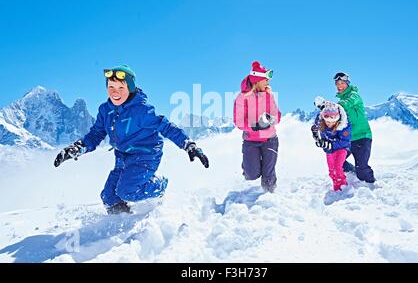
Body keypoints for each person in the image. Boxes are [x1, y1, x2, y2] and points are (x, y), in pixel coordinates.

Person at [54, 65, 209, 214]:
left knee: (127, 191)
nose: (115, 92)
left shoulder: (141, 110)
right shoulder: (105, 110)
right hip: (122, 157)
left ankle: (159, 185)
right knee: (109, 197)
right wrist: (77, 148)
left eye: (121, 88)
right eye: (111, 87)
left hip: (146, 156)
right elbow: (96, 134)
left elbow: (166, 127)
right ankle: (122, 220)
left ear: (130, 88)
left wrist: (189, 145)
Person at [233, 61, 281, 193]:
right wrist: (255, 126)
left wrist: (270, 120)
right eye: (265, 79)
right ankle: (249, 167)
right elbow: (238, 121)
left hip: (270, 139)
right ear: (257, 80)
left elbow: (277, 115)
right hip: (251, 141)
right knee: (252, 174)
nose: (268, 82)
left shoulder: (268, 95)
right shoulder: (241, 98)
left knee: (268, 175)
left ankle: (270, 197)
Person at [334, 72, 375, 184]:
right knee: (337, 161)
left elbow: (346, 104)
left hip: (362, 136)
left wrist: (332, 107)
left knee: (362, 168)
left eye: (342, 83)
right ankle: (355, 176)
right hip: (348, 139)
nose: (339, 86)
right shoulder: (339, 103)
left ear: (347, 83)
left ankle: (370, 185)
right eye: (337, 83)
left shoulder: (354, 95)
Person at [311, 96, 355, 173]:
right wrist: (316, 136)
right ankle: (347, 173)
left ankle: (352, 172)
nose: (329, 121)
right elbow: (315, 126)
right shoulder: (321, 116)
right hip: (330, 147)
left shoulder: (343, 121)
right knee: (335, 165)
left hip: (344, 146)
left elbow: (345, 141)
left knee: (339, 163)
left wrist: (330, 144)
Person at [315, 101, 352, 191]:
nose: (329, 124)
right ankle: (336, 187)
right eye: (327, 121)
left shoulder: (343, 125)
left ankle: (343, 187)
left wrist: (330, 145)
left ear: (338, 119)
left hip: (341, 149)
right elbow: (318, 125)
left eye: (332, 122)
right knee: (331, 171)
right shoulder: (323, 125)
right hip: (329, 151)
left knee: (337, 168)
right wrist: (321, 142)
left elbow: (345, 141)